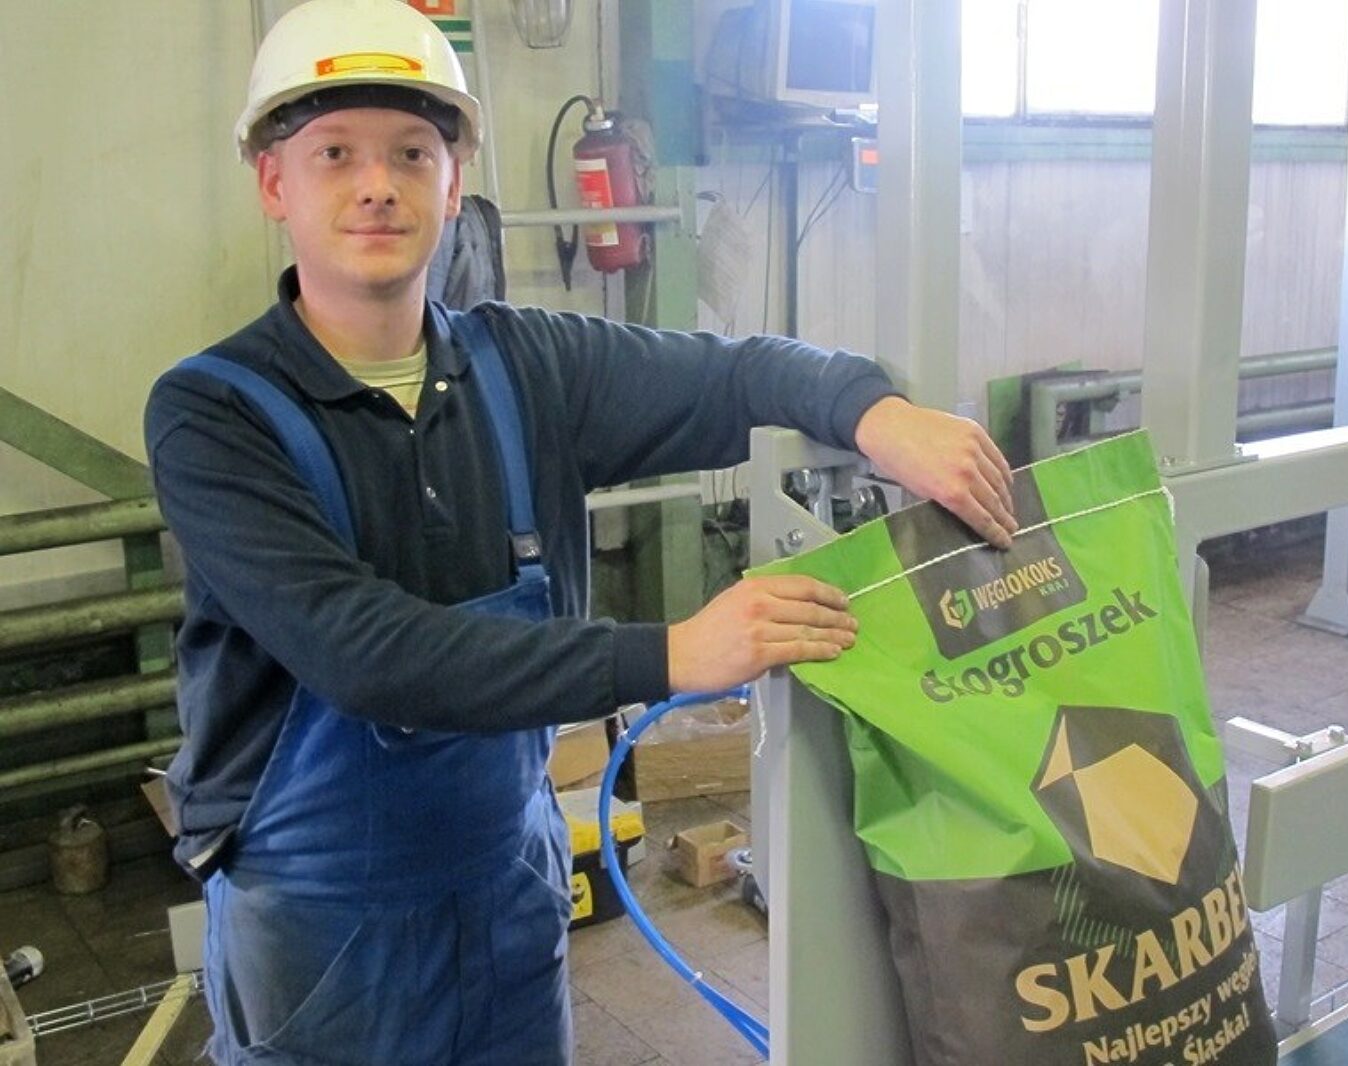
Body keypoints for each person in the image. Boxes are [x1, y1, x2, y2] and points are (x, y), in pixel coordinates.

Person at [143, 1, 1017, 1063]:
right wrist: (672, 652)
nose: (377, 184)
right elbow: (362, 651)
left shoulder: (529, 368)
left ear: (453, 184)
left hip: (508, 893)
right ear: (274, 182)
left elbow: (740, 371)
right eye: (335, 153)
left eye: (412, 152)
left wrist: (878, 413)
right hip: (322, 943)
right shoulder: (213, 412)